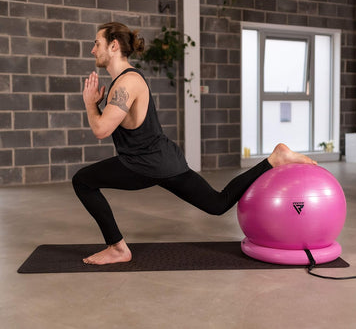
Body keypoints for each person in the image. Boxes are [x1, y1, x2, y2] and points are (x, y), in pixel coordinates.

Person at [72, 22, 317, 265]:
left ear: (113, 46)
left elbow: (101, 130)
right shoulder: (124, 81)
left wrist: (90, 102)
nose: (93, 50)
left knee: (82, 181)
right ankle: (275, 159)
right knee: (217, 204)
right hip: (163, 161)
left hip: (143, 164)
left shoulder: (127, 83)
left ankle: (117, 249)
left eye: (97, 43)